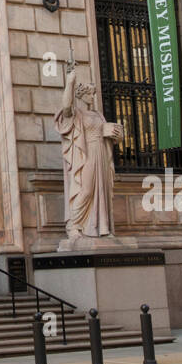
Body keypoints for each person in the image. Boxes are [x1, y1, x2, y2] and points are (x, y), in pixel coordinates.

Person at [53, 60, 121, 241]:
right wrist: (70, 81)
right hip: (86, 154)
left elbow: (105, 132)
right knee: (86, 189)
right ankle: (74, 225)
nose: (92, 97)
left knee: (102, 191)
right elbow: (66, 107)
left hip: (101, 154)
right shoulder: (77, 114)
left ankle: (102, 228)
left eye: (93, 94)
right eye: (90, 94)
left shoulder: (98, 115)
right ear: (81, 95)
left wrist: (113, 134)